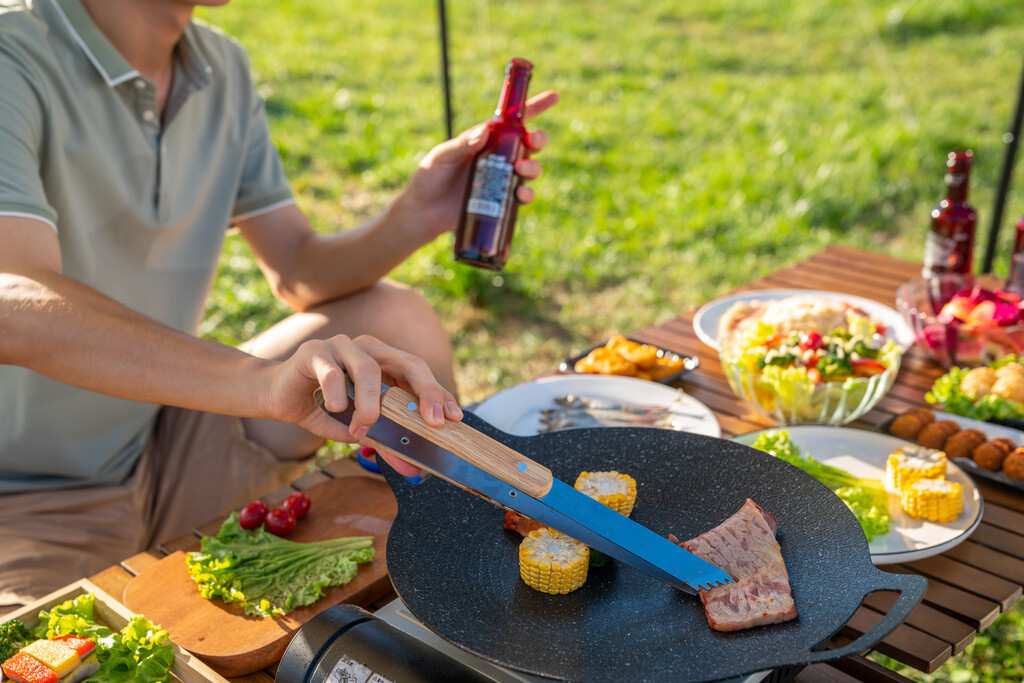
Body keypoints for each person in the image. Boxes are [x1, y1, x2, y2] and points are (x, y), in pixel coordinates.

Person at [0, 0, 560, 613]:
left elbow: (296, 268)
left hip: (162, 432)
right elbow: (16, 301)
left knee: (393, 317)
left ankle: (483, 569)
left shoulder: (219, 65)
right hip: (27, 498)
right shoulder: (14, 49)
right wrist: (262, 383)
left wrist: (417, 216)